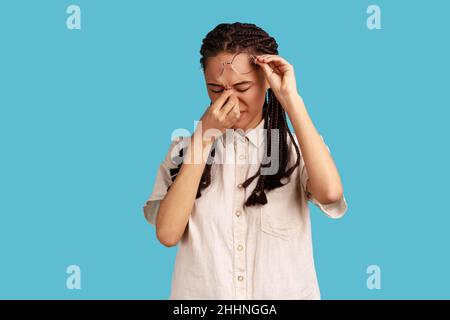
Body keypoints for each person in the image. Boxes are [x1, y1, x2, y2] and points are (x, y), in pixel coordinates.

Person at [143, 22, 348, 299]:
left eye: (242, 86)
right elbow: (167, 234)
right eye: (215, 89)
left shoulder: (298, 148)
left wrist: (290, 98)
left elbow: (330, 193)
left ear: (266, 80)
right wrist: (203, 138)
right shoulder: (184, 150)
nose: (229, 99)